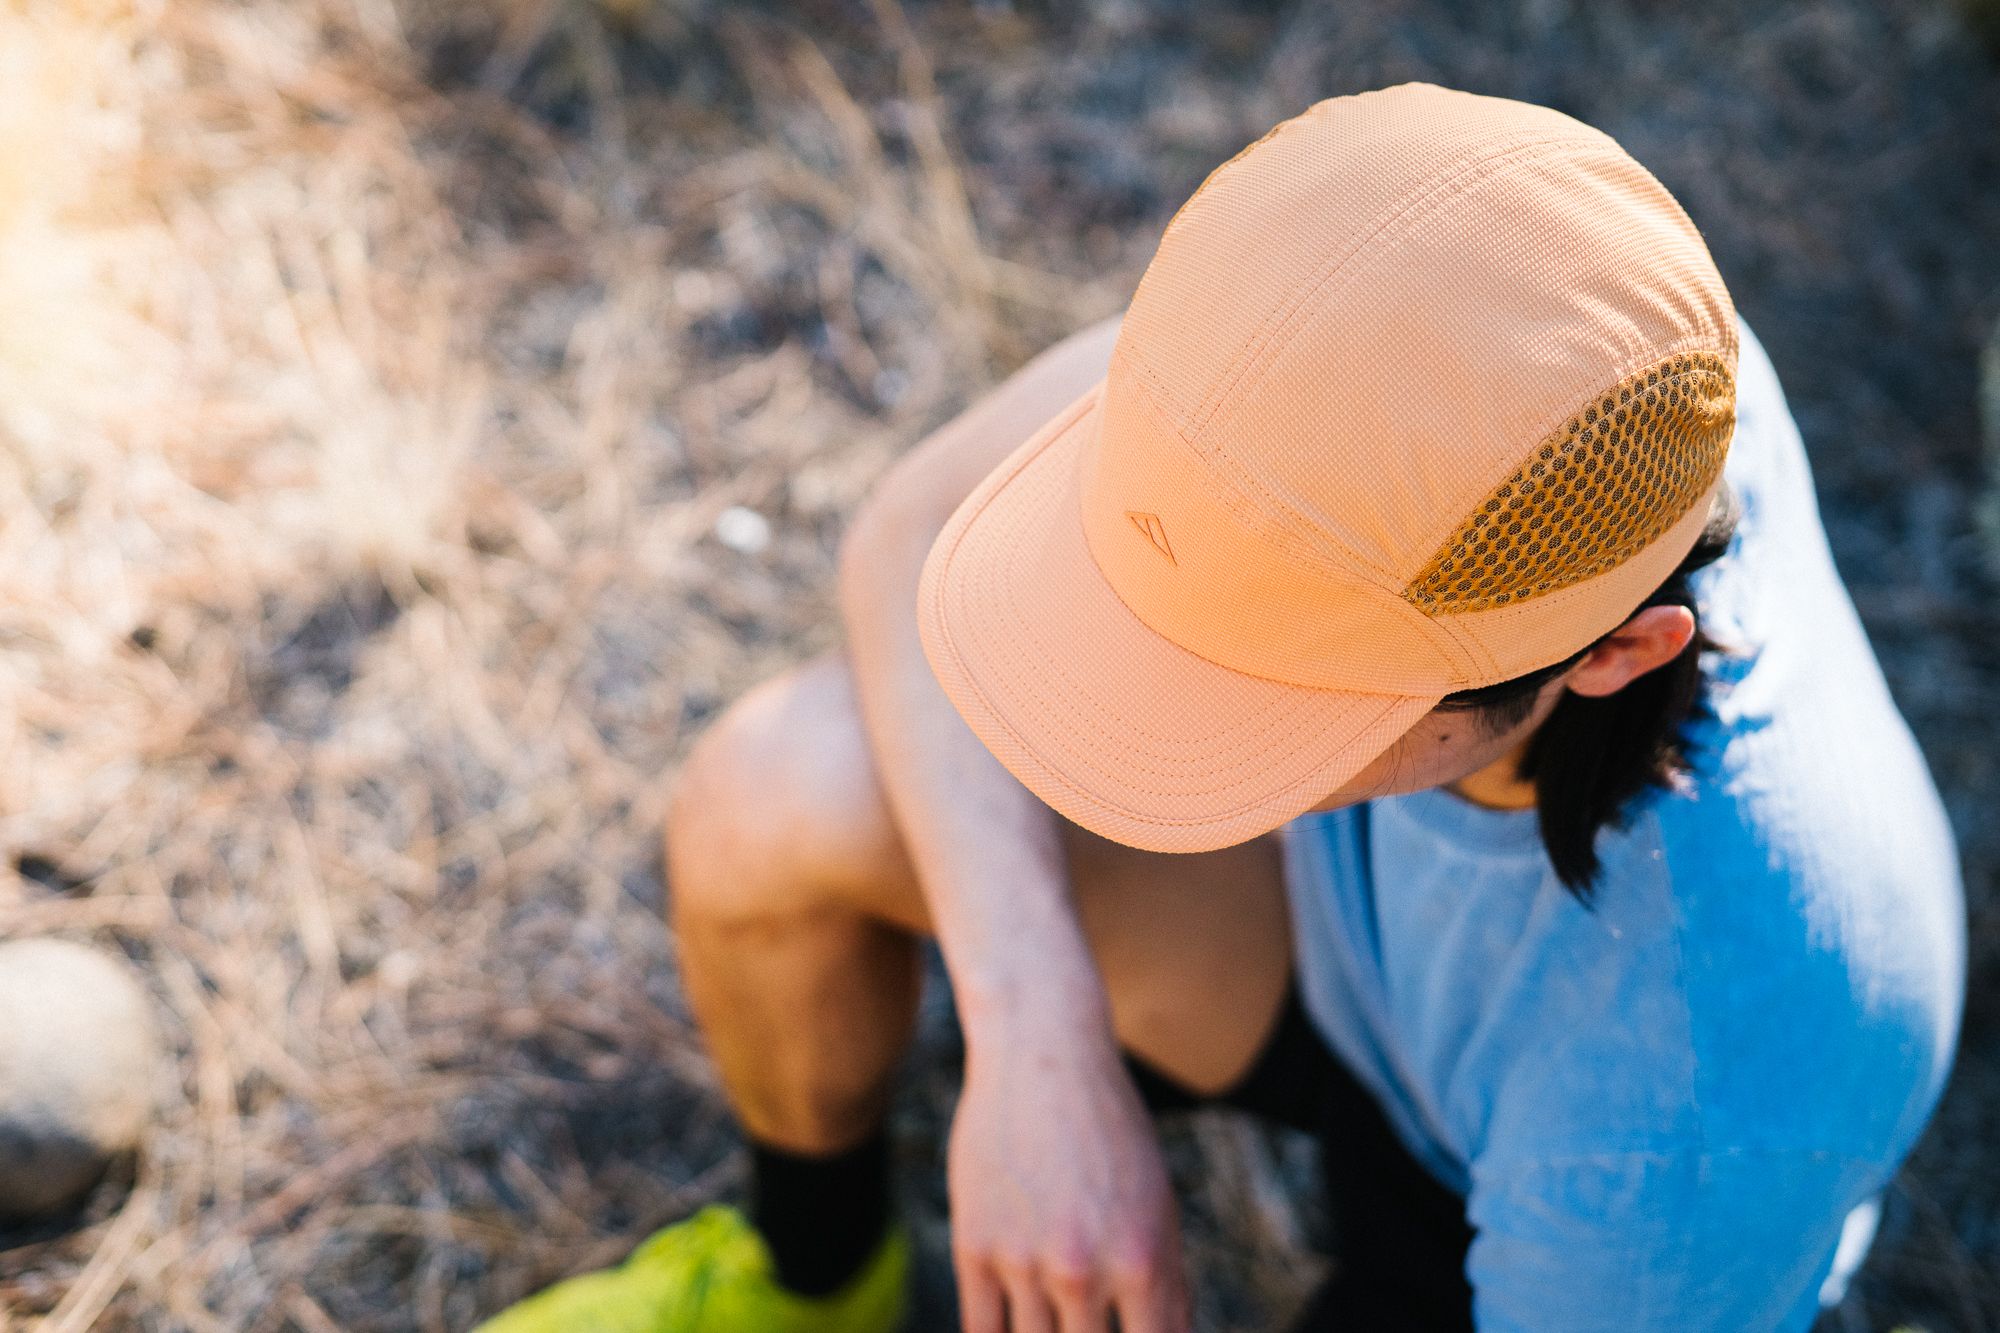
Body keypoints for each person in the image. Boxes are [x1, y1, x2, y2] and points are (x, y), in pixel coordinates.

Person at [478, 82, 1966, 1332]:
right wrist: (1036, 1036)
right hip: (1337, 942)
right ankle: (815, 1284)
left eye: (1272, 698)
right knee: (782, 787)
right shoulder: (1478, 328)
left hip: (1534, 1169)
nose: (1127, 723)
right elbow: (909, 530)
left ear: (1611, 655)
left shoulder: (1691, 1101)